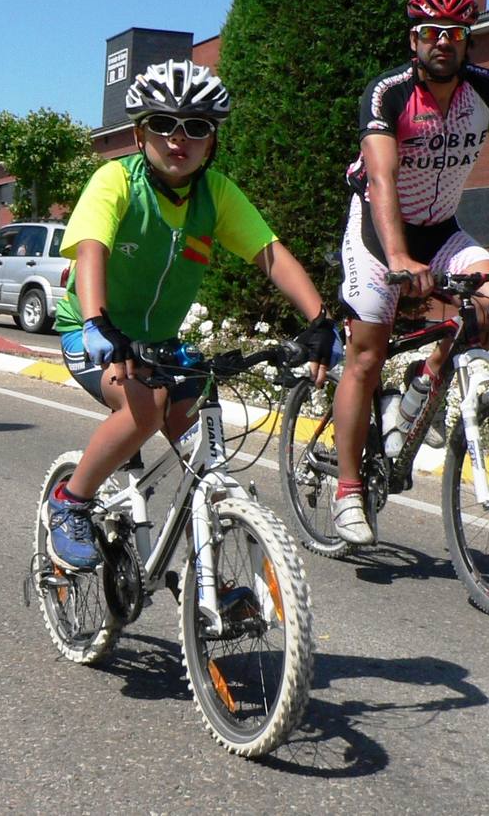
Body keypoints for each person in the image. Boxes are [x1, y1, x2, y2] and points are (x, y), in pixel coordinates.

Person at [47, 57, 339, 570]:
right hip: (95, 332)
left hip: (159, 341)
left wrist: (320, 321)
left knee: (205, 447)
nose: (177, 139)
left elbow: (270, 255)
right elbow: (91, 249)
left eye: (196, 128)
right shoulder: (116, 181)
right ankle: (70, 502)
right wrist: (96, 322)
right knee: (142, 411)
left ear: (212, 140)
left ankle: (214, 572)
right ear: (141, 134)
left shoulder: (216, 193)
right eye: (163, 124)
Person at [332, 0, 489, 545]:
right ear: (415, 40)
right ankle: (347, 490)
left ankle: (424, 383)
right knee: (366, 354)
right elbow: (382, 179)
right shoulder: (387, 92)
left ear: (468, 41)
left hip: (442, 229)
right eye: (432, 32)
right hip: (378, 231)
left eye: (455, 34)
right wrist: (397, 257)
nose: (443, 42)